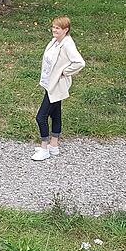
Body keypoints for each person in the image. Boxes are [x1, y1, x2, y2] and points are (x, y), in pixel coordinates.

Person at [31, 16, 86, 161]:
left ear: (65, 30)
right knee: (56, 113)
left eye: (58, 28)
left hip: (56, 85)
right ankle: (54, 145)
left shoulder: (67, 44)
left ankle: (44, 147)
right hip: (50, 83)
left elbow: (79, 63)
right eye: (53, 27)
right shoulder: (56, 41)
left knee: (41, 117)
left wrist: (65, 72)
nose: (54, 30)